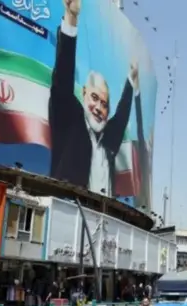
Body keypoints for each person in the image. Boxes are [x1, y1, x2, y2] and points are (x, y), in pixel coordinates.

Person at [49, 0, 140, 196]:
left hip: (102, 216)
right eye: (94, 98)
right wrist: (71, 19)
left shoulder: (108, 140)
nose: (99, 107)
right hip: (68, 211)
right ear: (83, 94)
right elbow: (63, 79)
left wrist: (131, 80)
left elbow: (122, 115)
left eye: (105, 104)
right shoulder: (70, 122)